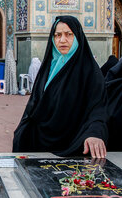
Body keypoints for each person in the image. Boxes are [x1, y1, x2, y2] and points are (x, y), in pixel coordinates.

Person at [13, 16, 108, 158]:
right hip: (40, 142)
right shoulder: (48, 68)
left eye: (69, 34)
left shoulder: (89, 72)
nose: (62, 40)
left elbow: (98, 109)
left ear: (78, 37)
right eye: (57, 35)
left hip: (72, 144)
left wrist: (94, 133)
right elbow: (35, 105)